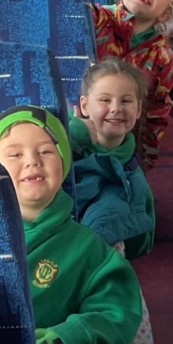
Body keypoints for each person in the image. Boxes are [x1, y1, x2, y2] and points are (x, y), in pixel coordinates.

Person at [0, 107, 152, 344]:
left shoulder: (87, 248)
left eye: (45, 151)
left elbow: (117, 309)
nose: (32, 161)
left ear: (63, 162)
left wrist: (74, 335)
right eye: (14, 154)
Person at [87, 0, 173, 169]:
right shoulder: (96, 19)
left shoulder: (162, 58)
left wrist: (143, 165)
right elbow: (62, 5)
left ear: (165, 13)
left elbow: (155, 114)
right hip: (79, 128)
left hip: (120, 146)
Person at [71, 59, 155, 259]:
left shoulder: (133, 176)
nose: (116, 108)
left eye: (125, 101)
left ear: (138, 109)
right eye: (105, 100)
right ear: (84, 106)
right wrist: (73, 135)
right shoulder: (59, 138)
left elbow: (144, 243)